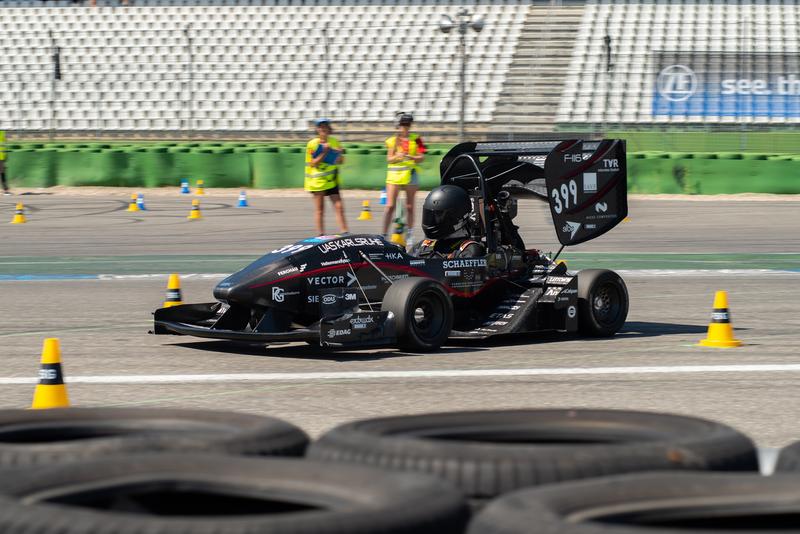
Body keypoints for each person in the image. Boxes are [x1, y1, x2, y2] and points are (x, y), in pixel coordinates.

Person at [382, 112, 425, 247]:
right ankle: (383, 235)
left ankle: (410, 235)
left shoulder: (416, 139)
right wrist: (398, 156)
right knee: (390, 206)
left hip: (410, 174)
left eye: (407, 124)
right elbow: (389, 159)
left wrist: (411, 157)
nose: (405, 127)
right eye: (403, 124)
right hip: (394, 176)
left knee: (410, 206)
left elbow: (421, 157)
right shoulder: (392, 140)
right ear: (398, 126)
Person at [414, 185, 485, 259]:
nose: (432, 220)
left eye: (438, 216)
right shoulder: (422, 246)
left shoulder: (471, 250)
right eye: (429, 215)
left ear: (455, 217)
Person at [305, 119, 348, 236]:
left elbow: (341, 161)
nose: (323, 129)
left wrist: (339, 154)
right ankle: (320, 235)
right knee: (320, 210)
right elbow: (313, 163)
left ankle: (345, 233)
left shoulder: (334, 141)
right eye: (321, 127)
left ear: (329, 129)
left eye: (325, 126)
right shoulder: (312, 144)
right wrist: (324, 152)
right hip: (317, 182)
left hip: (332, 180)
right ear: (317, 129)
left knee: (339, 207)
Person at [0, 130, 9, 195]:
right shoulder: (3, 133)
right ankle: (5, 190)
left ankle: (5, 190)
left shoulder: (2, 133)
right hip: (2, 157)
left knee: (2, 173)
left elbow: (5, 146)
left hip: (2, 157)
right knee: (2, 174)